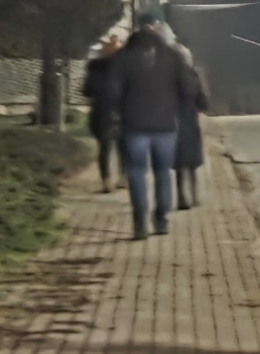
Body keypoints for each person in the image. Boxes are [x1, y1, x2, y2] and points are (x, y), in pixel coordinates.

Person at [105, 19, 199, 239]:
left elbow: (111, 90)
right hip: (165, 125)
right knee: (162, 173)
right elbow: (188, 87)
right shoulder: (172, 57)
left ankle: (140, 222)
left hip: (134, 125)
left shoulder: (123, 57)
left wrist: (118, 111)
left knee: (136, 172)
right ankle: (161, 220)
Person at [81, 27, 126, 192]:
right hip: (122, 109)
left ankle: (106, 181)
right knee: (123, 144)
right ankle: (123, 177)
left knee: (105, 146)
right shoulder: (126, 66)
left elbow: (86, 91)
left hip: (101, 110)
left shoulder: (95, 67)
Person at [171, 38, 210, 207]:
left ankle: (181, 196)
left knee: (179, 163)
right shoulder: (193, 76)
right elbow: (203, 102)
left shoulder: (167, 78)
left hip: (172, 122)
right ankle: (194, 194)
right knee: (192, 162)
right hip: (190, 121)